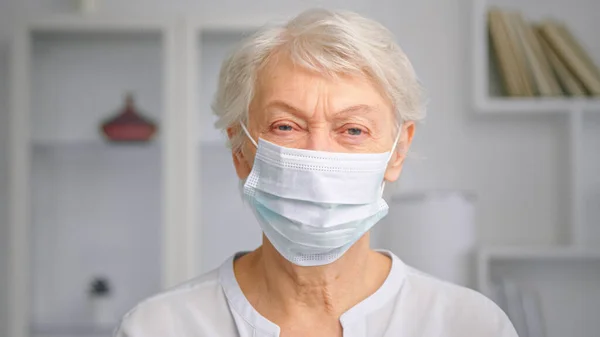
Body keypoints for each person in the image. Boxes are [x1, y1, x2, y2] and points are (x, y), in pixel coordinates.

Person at [115, 8, 517, 337]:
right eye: (286, 126)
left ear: (398, 151)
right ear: (239, 148)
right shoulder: (158, 328)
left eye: (353, 130)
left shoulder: (471, 325)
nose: (319, 156)